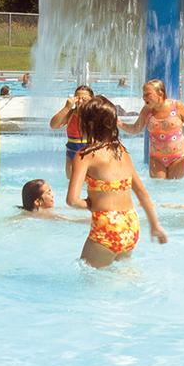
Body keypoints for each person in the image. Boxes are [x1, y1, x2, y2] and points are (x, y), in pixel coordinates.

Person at [66, 96, 167, 267]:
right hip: (130, 224)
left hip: (107, 225)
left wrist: (93, 204)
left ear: (87, 124)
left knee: (88, 282)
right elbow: (142, 193)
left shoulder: (84, 155)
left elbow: (72, 200)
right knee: (122, 275)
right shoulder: (122, 152)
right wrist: (155, 225)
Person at [121, 79, 184, 179]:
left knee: (175, 188)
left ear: (160, 93)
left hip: (177, 157)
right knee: (158, 188)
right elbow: (135, 128)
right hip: (156, 159)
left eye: (148, 94)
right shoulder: (147, 111)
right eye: (143, 94)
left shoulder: (177, 107)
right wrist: (119, 123)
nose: (144, 97)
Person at [48, 84, 95, 181]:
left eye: (84, 99)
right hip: (72, 155)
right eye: (78, 98)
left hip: (91, 155)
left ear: (92, 100)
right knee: (72, 183)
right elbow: (53, 125)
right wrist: (66, 107)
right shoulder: (70, 114)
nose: (80, 101)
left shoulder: (96, 115)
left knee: (91, 184)